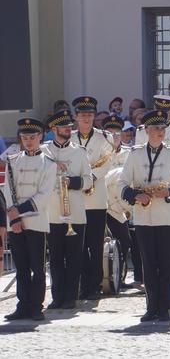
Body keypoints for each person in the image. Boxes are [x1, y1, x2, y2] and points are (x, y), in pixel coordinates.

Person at [119, 110, 170, 322]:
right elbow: (122, 183)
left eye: (162, 128)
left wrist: (167, 192)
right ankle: (151, 307)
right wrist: (136, 196)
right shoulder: (135, 153)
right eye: (155, 128)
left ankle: (165, 307)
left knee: (167, 264)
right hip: (143, 217)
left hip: (167, 217)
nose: (159, 132)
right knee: (148, 264)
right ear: (146, 131)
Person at [3, 118, 56, 321]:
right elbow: (8, 191)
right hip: (15, 222)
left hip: (36, 220)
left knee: (38, 267)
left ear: (40, 137)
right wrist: (14, 219)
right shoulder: (13, 160)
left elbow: (44, 195)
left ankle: (36, 306)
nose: (28, 141)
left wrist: (20, 211)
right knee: (21, 268)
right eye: (25, 137)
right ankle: (22, 305)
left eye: (32, 137)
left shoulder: (48, 164)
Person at [42, 110, 93, 310]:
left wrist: (72, 182)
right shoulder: (44, 151)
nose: (68, 129)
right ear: (54, 129)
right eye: (63, 127)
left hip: (75, 213)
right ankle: (57, 296)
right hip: (53, 213)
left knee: (74, 258)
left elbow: (89, 180)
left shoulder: (79, 152)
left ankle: (71, 296)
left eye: (69, 126)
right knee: (55, 258)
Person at [71, 96, 114, 300]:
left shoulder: (104, 138)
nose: (86, 119)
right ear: (76, 117)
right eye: (82, 115)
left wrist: (90, 179)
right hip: (75, 198)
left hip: (96, 198)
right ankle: (81, 284)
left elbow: (107, 164)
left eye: (89, 115)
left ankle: (95, 284)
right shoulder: (69, 139)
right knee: (77, 245)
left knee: (95, 244)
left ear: (94, 116)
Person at [102, 114, 134, 289]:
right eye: (110, 132)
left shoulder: (129, 153)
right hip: (101, 202)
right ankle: (102, 276)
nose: (114, 136)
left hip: (119, 206)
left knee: (124, 239)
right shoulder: (100, 152)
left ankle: (119, 277)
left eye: (117, 132)